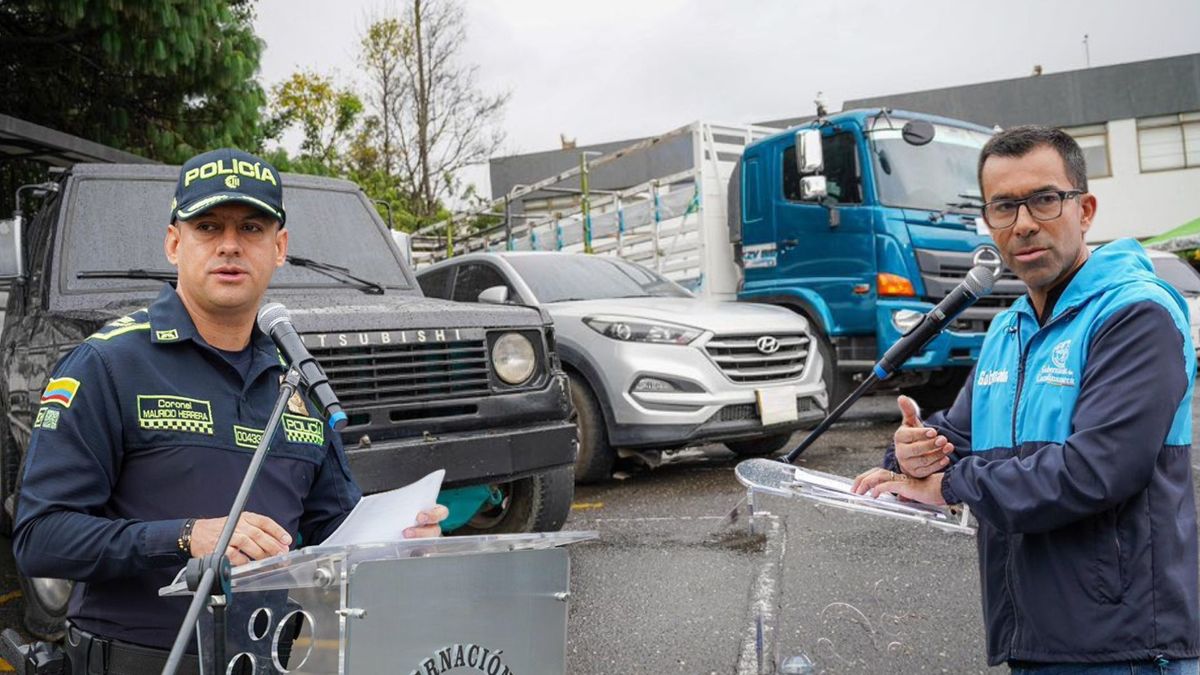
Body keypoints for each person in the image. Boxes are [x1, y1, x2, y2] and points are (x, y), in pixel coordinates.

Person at [12, 148, 448, 674]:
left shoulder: (296, 380)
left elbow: (334, 530)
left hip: (272, 658)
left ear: (279, 247)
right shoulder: (107, 364)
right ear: (175, 242)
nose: (230, 245)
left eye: (251, 228)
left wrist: (399, 541)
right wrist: (184, 536)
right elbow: (40, 538)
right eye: (208, 226)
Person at [852, 126, 1199, 673]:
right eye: (1004, 206)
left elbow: (1097, 470)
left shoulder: (1135, 315)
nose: (1025, 223)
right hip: (1032, 636)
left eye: (1044, 199)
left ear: (1084, 209)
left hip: (1124, 646)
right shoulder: (1009, 328)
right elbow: (959, 435)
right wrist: (914, 452)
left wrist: (946, 484)